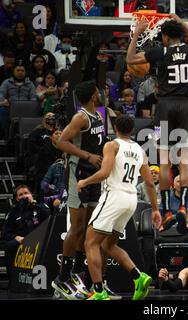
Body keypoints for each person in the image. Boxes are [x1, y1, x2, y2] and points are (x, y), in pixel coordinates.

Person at [127, 14, 188, 235]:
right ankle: (182, 206)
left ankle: (167, 208)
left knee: (162, 159)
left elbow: (131, 60)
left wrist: (138, 34)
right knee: (183, 160)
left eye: (162, 36)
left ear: (167, 37)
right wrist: (184, 24)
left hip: (164, 106)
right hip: (184, 106)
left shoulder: (161, 52)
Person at [76, 114, 161, 300]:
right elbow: (149, 183)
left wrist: (85, 181)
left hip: (114, 196)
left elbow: (105, 172)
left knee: (90, 243)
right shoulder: (140, 150)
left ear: (115, 128)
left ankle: (98, 291)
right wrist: (155, 209)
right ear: (132, 130)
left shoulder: (112, 145)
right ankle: (138, 277)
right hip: (131, 200)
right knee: (108, 244)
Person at [52, 81, 107, 300]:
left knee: (88, 228)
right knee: (76, 228)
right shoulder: (81, 117)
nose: (100, 94)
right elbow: (62, 142)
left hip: (93, 176)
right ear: (93, 96)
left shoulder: (99, 115)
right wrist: (87, 156)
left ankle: (80, 274)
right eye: (98, 92)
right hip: (78, 174)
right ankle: (62, 277)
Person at [3, 185, 50, 279]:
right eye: (20, 194)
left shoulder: (40, 206)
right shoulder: (13, 213)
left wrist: (33, 204)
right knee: (9, 245)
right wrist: (16, 237)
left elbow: (49, 217)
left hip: (40, 240)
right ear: (16, 198)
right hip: (22, 241)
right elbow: (6, 233)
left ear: (31, 194)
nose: (24, 196)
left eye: (26, 193)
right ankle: (13, 279)